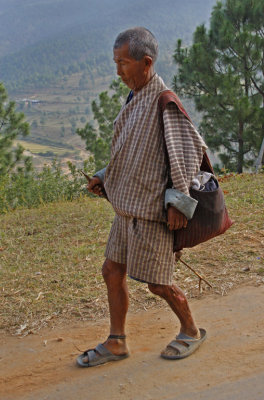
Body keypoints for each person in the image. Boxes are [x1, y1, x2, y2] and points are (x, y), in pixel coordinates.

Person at [77, 27, 208, 368]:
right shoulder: (137, 96)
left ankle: (192, 331)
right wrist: (105, 177)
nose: (118, 71)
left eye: (123, 63)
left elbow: (189, 152)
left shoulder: (164, 101)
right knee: (111, 270)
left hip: (150, 214)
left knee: (158, 284)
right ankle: (117, 341)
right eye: (115, 62)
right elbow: (132, 152)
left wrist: (178, 203)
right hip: (126, 211)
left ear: (145, 62)